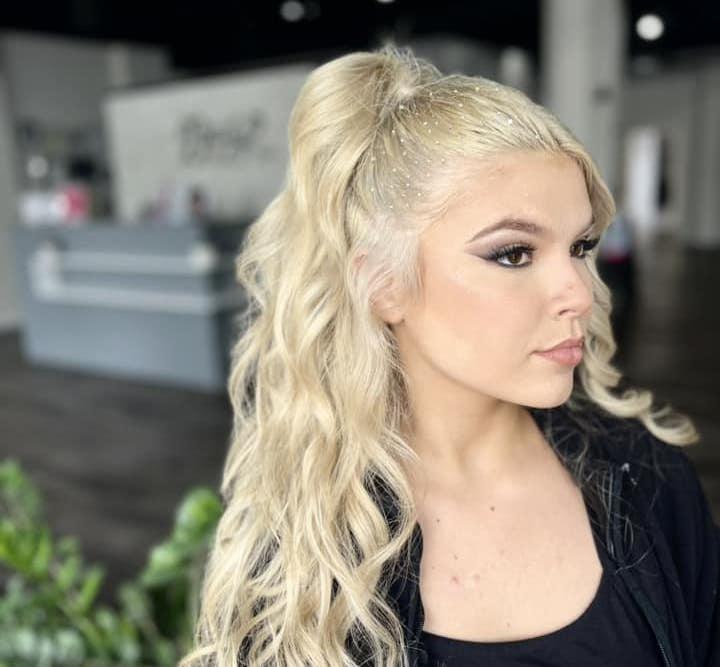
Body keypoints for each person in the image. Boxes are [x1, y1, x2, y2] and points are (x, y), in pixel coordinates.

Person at [179, 46, 719, 667]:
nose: (579, 293)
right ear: (383, 284)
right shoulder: (304, 553)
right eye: (514, 254)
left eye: (579, 247)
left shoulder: (646, 478)